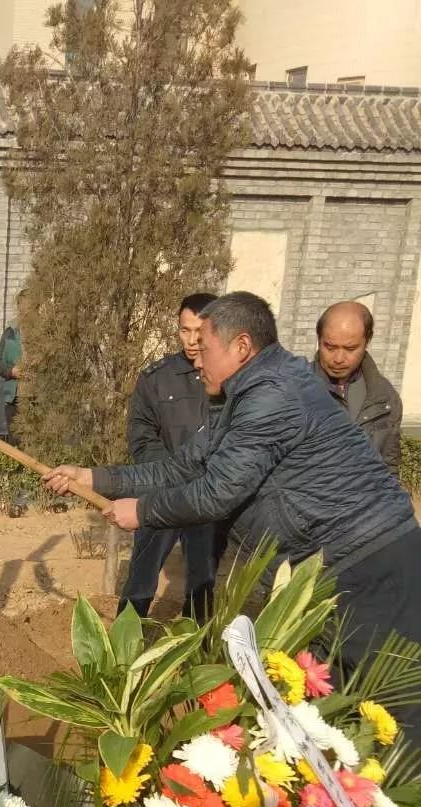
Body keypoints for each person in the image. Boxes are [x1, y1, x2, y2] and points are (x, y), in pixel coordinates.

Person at [43, 289, 419, 719]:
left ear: (241, 347)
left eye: (205, 348)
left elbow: (217, 491)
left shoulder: (272, 394)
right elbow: (185, 464)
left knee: (395, 709)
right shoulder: (248, 394)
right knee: (331, 709)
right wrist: (94, 478)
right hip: (335, 569)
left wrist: (142, 512)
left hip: (371, 570)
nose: (196, 361)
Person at [117, 292, 219, 621]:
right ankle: (122, 646)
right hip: (161, 495)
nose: (191, 340)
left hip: (206, 498)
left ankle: (198, 647)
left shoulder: (227, 377)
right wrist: (168, 474)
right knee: (141, 579)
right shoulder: (156, 378)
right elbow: (141, 436)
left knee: (202, 583)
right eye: (184, 330)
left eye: (199, 331)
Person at [312, 301, 402, 473]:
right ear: (319, 339)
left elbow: (389, 467)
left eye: (350, 348)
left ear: (367, 342)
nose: (338, 359)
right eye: (330, 347)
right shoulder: (291, 391)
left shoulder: (386, 398)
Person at [0, 290, 28, 442]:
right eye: (22, 305)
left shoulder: (45, 333)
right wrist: (11, 371)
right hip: (14, 397)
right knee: (15, 441)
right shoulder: (10, 333)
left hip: (37, 398)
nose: (25, 310)